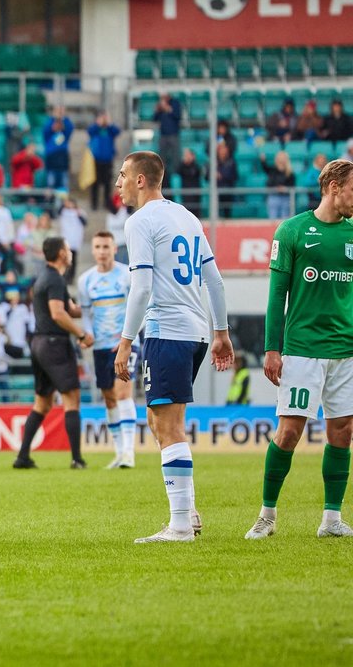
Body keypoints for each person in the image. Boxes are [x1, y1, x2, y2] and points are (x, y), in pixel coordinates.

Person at [113, 151, 233, 543]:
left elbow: (142, 287)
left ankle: (180, 525)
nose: (118, 183)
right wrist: (221, 332)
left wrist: (125, 342)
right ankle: (189, 513)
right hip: (196, 332)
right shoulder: (186, 216)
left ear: (141, 180)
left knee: (168, 425)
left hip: (167, 329)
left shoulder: (140, 221)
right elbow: (214, 280)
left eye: (123, 176)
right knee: (157, 419)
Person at [245, 159, 353, 541]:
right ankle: (267, 515)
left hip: (346, 349)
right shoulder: (292, 230)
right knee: (289, 432)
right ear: (334, 186)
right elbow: (277, 295)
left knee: (343, 430)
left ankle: (331, 519)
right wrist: (272, 349)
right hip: (303, 349)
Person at [12, 237, 93, 470]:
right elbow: (58, 314)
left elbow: (71, 310)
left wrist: (93, 305)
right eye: (67, 248)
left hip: (39, 344)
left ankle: (23, 456)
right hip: (55, 343)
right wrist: (81, 335)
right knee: (72, 398)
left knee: (43, 403)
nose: (70, 252)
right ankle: (77, 458)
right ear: (60, 254)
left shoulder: (45, 278)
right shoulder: (55, 279)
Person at [77, 231, 137, 469]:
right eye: (98, 246)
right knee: (109, 398)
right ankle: (119, 451)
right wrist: (88, 333)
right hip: (101, 346)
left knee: (123, 393)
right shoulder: (85, 281)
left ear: (114, 249)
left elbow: (139, 306)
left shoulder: (126, 275)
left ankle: (130, 453)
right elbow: (84, 313)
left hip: (124, 344)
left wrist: (129, 338)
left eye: (106, 246)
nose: (102, 251)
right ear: (93, 250)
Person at [87, 112, 121, 210]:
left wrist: (109, 123)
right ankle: (94, 204)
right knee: (95, 183)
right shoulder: (95, 129)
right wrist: (98, 123)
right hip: (95, 160)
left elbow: (117, 131)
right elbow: (90, 131)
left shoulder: (110, 130)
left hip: (107, 160)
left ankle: (106, 203)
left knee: (107, 183)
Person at [154, 92, 183, 179]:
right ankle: (163, 176)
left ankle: (176, 175)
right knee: (162, 157)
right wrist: (157, 110)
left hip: (173, 134)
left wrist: (168, 109)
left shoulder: (175, 103)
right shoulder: (159, 105)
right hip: (163, 134)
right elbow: (155, 119)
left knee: (175, 156)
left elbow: (178, 116)